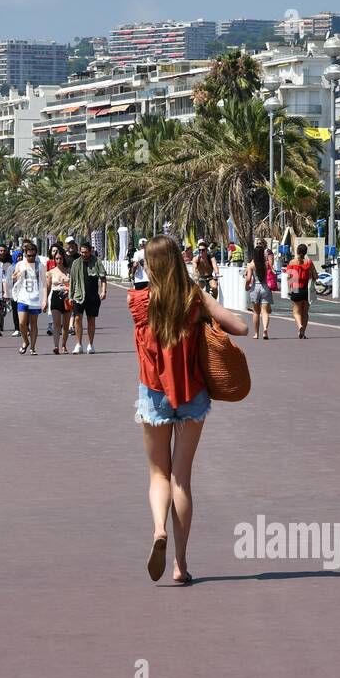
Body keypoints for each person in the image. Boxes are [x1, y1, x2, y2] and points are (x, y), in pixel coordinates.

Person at [129, 235, 247, 584]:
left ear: (150, 265)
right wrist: (207, 316)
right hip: (192, 394)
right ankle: (180, 565)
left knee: (158, 476)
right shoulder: (195, 297)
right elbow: (241, 326)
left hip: (153, 393)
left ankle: (157, 531)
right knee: (182, 478)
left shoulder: (137, 302)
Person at [69, 239, 107, 354]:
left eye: (86, 252)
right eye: (82, 252)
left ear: (90, 251)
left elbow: (103, 277)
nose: (83, 254)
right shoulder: (76, 263)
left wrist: (104, 291)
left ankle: (90, 344)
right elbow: (72, 281)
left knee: (91, 320)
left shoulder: (97, 262)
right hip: (78, 296)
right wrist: (71, 296)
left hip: (92, 296)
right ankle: (78, 344)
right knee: (77, 319)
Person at [11, 240, 46, 355]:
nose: (31, 257)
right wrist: (18, 274)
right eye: (29, 255)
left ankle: (33, 348)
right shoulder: (20, 264)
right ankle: (25, 341)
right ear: (25, 254)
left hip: (35, 298)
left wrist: (45, 300)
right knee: (22, 323)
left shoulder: (40, 266)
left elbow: (44, 284)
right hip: (22, 297)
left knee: (33, 323)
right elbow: (13, 277)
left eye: (33, 255)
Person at [285, 244, 318, 338]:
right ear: (305, 252)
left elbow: (288, 276)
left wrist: (290, 288)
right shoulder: (309, 262)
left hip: (295, 288)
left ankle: (300, 326)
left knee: (296, 312)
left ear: (297, 251)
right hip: (306, 289)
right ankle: (303, 333)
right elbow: (316, 276)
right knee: (305, 312)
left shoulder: (292, 262)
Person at [44, 244, 72, 353]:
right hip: (55, 297)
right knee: (56, 324)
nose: (58, 260)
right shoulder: (50, 272)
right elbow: (47, 287)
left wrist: (68, 289)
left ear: (63, 258)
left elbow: (73, 285)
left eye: (60, 258)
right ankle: (56, 346)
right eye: (56, 258)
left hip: (67, 297)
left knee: (65, 325)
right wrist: (45, 300)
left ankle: (64, 345)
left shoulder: (68, 271)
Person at [245, 239, 274, 340]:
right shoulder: (266, 264)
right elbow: (272, 270)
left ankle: (256, 333)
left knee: (256, 312)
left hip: (255, 288)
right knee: (265, 311)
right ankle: (265, 330)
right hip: (265, 287)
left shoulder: (251, 265)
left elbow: (248, 279)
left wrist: (246, 286)